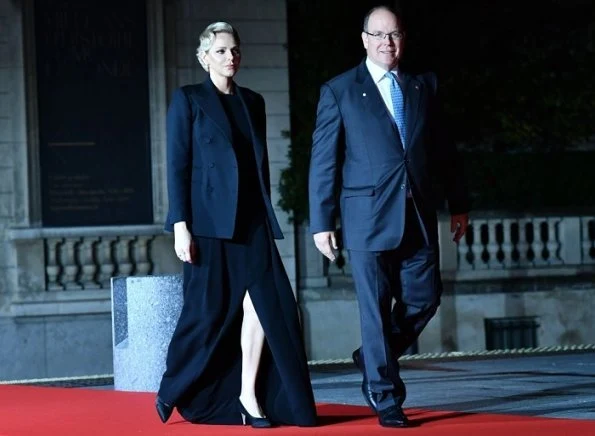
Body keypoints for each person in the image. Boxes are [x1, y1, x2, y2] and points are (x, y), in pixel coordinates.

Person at [308, 5, 470, 428]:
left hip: (417, 212)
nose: (387, 43)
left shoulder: (423, 86)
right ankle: (385, 397)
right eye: (378, 35)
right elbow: (324, 161)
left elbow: (444, 150)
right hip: (366, 218)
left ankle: (372, 355)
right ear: (364, 39)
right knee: (374, 311)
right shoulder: (340, 90)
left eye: (394, 34)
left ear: (404, 38)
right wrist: (322, 222)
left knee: (425, 297)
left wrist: (460, 203)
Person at [155, 21, 317, 428]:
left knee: (269, 306)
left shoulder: (254, 102)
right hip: (208, 227)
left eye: (235, 50)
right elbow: (177, 166)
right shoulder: (188, 100)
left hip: (252, 223)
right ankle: (172, 387)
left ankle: (248, 395)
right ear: (205, 56)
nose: (232, 57)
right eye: (223, 50)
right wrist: (180, 226)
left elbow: (256, 166)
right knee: (206, 313)